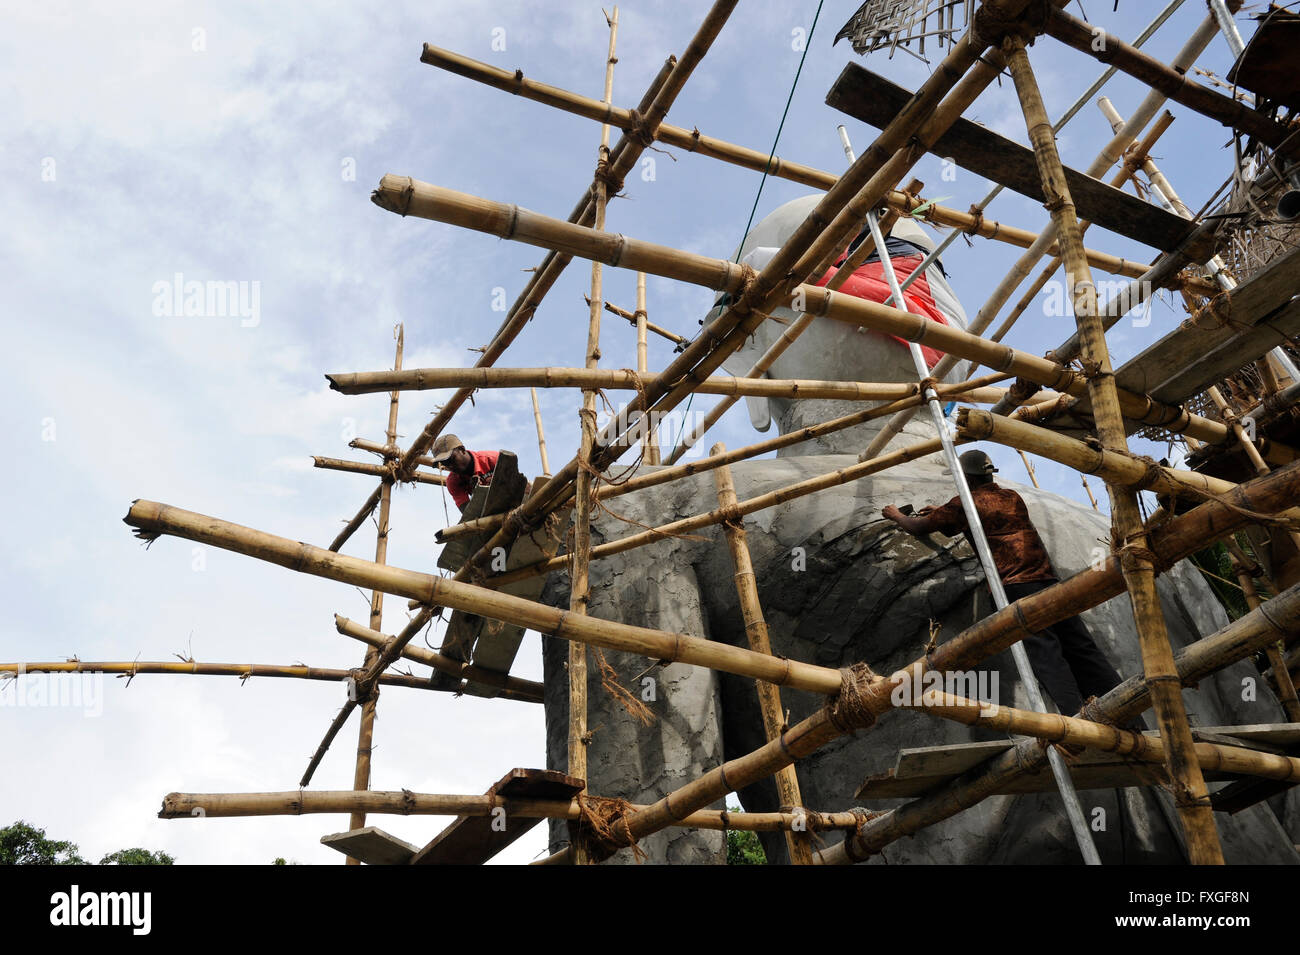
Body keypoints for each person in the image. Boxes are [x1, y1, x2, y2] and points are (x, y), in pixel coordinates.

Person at [882, 449, 1124, 717]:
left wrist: (895, 514)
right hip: (1046, 578)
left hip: (1014, 585)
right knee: (1081, 647)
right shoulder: (1012, 497)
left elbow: (918, 527)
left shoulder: (964, 504)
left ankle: (1075, 720)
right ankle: (1126, 711)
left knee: (1046, 654)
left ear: (966, 478)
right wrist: (942, 512)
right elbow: (984, 517)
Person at [429, 434, 498, 511]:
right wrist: (477, 496)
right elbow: (468, 515)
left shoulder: (494, 459)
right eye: (445, 464)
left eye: (451, 459)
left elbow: (513, 485)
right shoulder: (453, 482)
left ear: (462, 450)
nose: (450, 466)